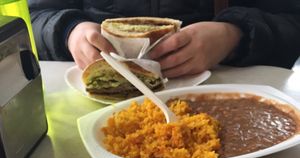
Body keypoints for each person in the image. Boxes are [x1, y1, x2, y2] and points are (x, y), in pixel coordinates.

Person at [28, 1, 300, 78]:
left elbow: (291, 23)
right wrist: (69, 33)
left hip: (221, 98)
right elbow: (31, 19)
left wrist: (233, 35)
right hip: (92, 111)